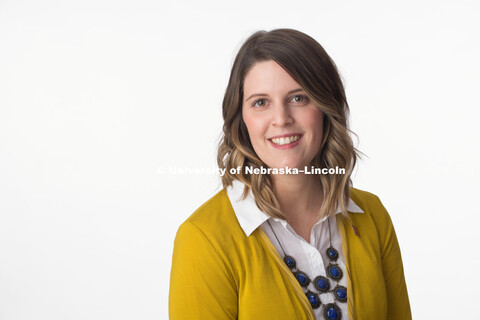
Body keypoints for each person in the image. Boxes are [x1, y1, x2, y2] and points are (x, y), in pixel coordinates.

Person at [169, 28, 411, 320]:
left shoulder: (372, 216)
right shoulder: (203, 239)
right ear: (241, 119)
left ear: (325, 107)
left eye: (298, 98)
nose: (281, 119)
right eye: (261, 102)